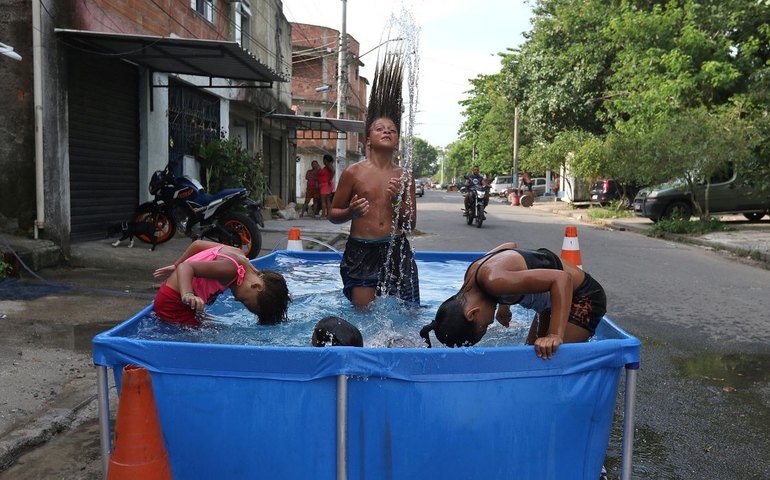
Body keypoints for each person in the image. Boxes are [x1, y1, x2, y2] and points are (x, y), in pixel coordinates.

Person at [328, 53, 419, 309]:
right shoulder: (353, 173)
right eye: (380, 128)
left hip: (397, 247)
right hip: (362, 248)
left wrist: (397, 202)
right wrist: (350, 211)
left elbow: (410, 224)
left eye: (392, 129)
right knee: (364, 313)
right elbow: (333, 214)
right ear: (368, 140)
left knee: (408, 311)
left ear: (397, 140)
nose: (387, 131)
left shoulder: (404, 177)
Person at [420, 243, 606, 359]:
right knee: (531, 357)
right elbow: (509, 246)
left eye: (483, 326)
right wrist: (504, 303)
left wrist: (555, 334)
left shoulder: (494, 282)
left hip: (583, 297)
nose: (490, 322)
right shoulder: (472, 274)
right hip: (553, 302)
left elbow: (562, 279)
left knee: (548, 361)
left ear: (472, 313)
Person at [152, 240, 290, 327]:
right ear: (256, 286)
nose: (236, 299)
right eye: (244, 301)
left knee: (213, 323)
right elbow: (186, 268)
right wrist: (187, 293)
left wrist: (176, 265)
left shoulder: (238, 254)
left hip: (181, 302)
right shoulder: (231, 269)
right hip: (173, 303)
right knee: (203, 336)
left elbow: (197, 244)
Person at [317, 154, 335, 219]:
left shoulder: (328, 165)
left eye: (323, 160)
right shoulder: (327, 166)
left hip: (325, 185)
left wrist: (330, 179)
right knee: (327, 200)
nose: (323, 161)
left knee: (323, 201)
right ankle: (328, 215)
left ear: (325, 160)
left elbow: (333, 171)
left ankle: (323, 215)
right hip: (326, 185)